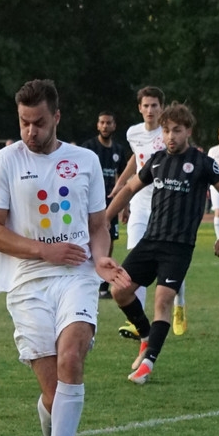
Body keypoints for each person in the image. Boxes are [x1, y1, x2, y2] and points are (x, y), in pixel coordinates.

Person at [0, 79, 130, 436]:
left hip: (77, 275)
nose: (31, 131)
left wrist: (100, 258)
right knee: (52, 392)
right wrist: (44, 250)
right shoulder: (4, 163)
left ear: (57, 117)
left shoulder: (84, 161)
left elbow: (98, 226)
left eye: (40, 122)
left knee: (71, 358)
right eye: (24, 122)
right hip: (26, 281)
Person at [106, 101, 219, 385]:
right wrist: (106, 218)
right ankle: (145, 335)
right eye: (166, 131)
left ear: (188, 131)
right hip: (151, 240)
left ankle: (148, 363)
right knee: (119, 291)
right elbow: (129, 188)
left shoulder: (203, 163)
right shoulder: (156, 160)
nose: (170, 136)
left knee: (162, 300)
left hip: (178, 247)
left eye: (176, 130)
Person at [114, 86, 189, 337]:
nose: (150, 110)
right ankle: (137, 321)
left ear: (161, 107)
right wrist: (121, 187)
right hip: (139, 203)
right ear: (139, 108)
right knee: (135, 259)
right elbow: (136, 160)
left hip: (166, 206)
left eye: (154, 105)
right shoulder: (133, 132)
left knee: (171, 261)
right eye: (145, 105)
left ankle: (179, 304)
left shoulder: (168, 133)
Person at [81, 111, 130, 298]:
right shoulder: (89, 148)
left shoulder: (118, 150)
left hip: (110, 205)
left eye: (108, 123)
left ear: (114, 125)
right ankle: (86, 279)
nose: (105, 126)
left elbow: (124, 180)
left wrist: (126, 207)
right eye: (102, 122)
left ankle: (102, 287)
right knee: (87, 239)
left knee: (108, 241)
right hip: (89, 204)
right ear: (97, 125)